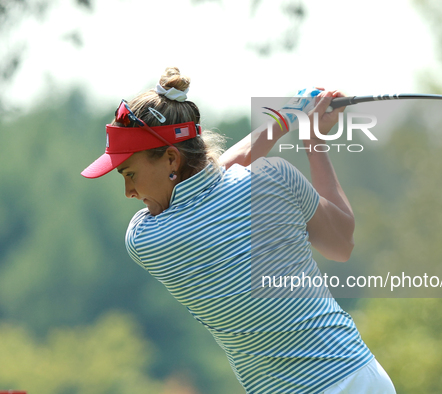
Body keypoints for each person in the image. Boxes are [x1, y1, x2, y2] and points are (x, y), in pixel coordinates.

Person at [81, 67, 396, 394]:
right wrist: (313, 140)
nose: (129, 192)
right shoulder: (274, 178)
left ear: (172, 159)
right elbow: (341, 244)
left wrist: (283, 119)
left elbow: (222, 172)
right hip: (360, 378)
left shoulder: (145, 239)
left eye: (129, 174)